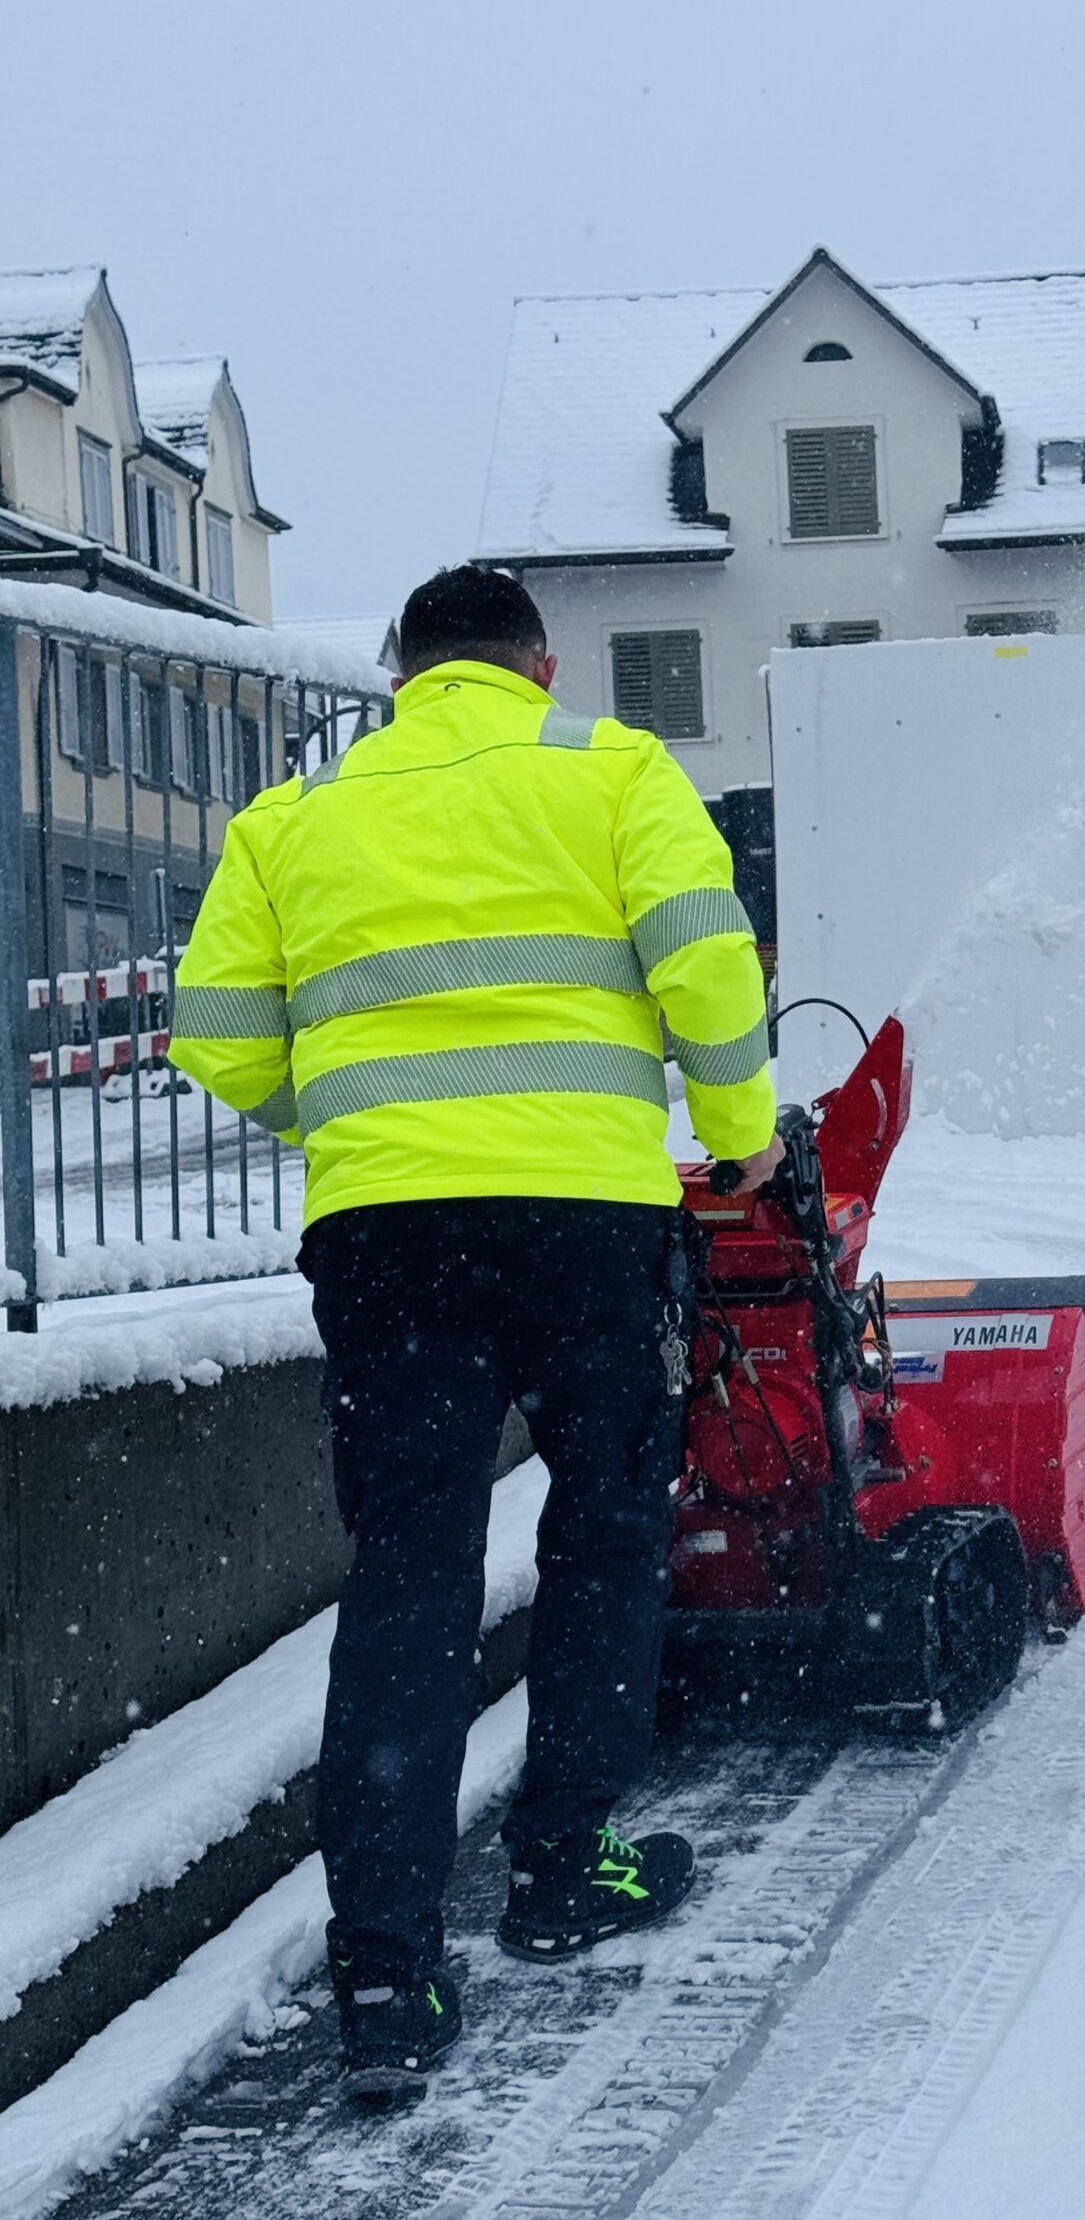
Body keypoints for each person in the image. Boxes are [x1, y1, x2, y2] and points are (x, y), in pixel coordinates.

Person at [169, 566, 782, 2087]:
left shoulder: (292, 818)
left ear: (399, 673)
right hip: (585, 1220)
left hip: (386, 1238)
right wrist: (740, 1126)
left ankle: (384, 1970)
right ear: (539, 664)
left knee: (411, 1578)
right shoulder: (613, 767)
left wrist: (364, 1119)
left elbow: (217, 1038)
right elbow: (706, 959)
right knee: (602, 1529)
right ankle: (565, 1862)